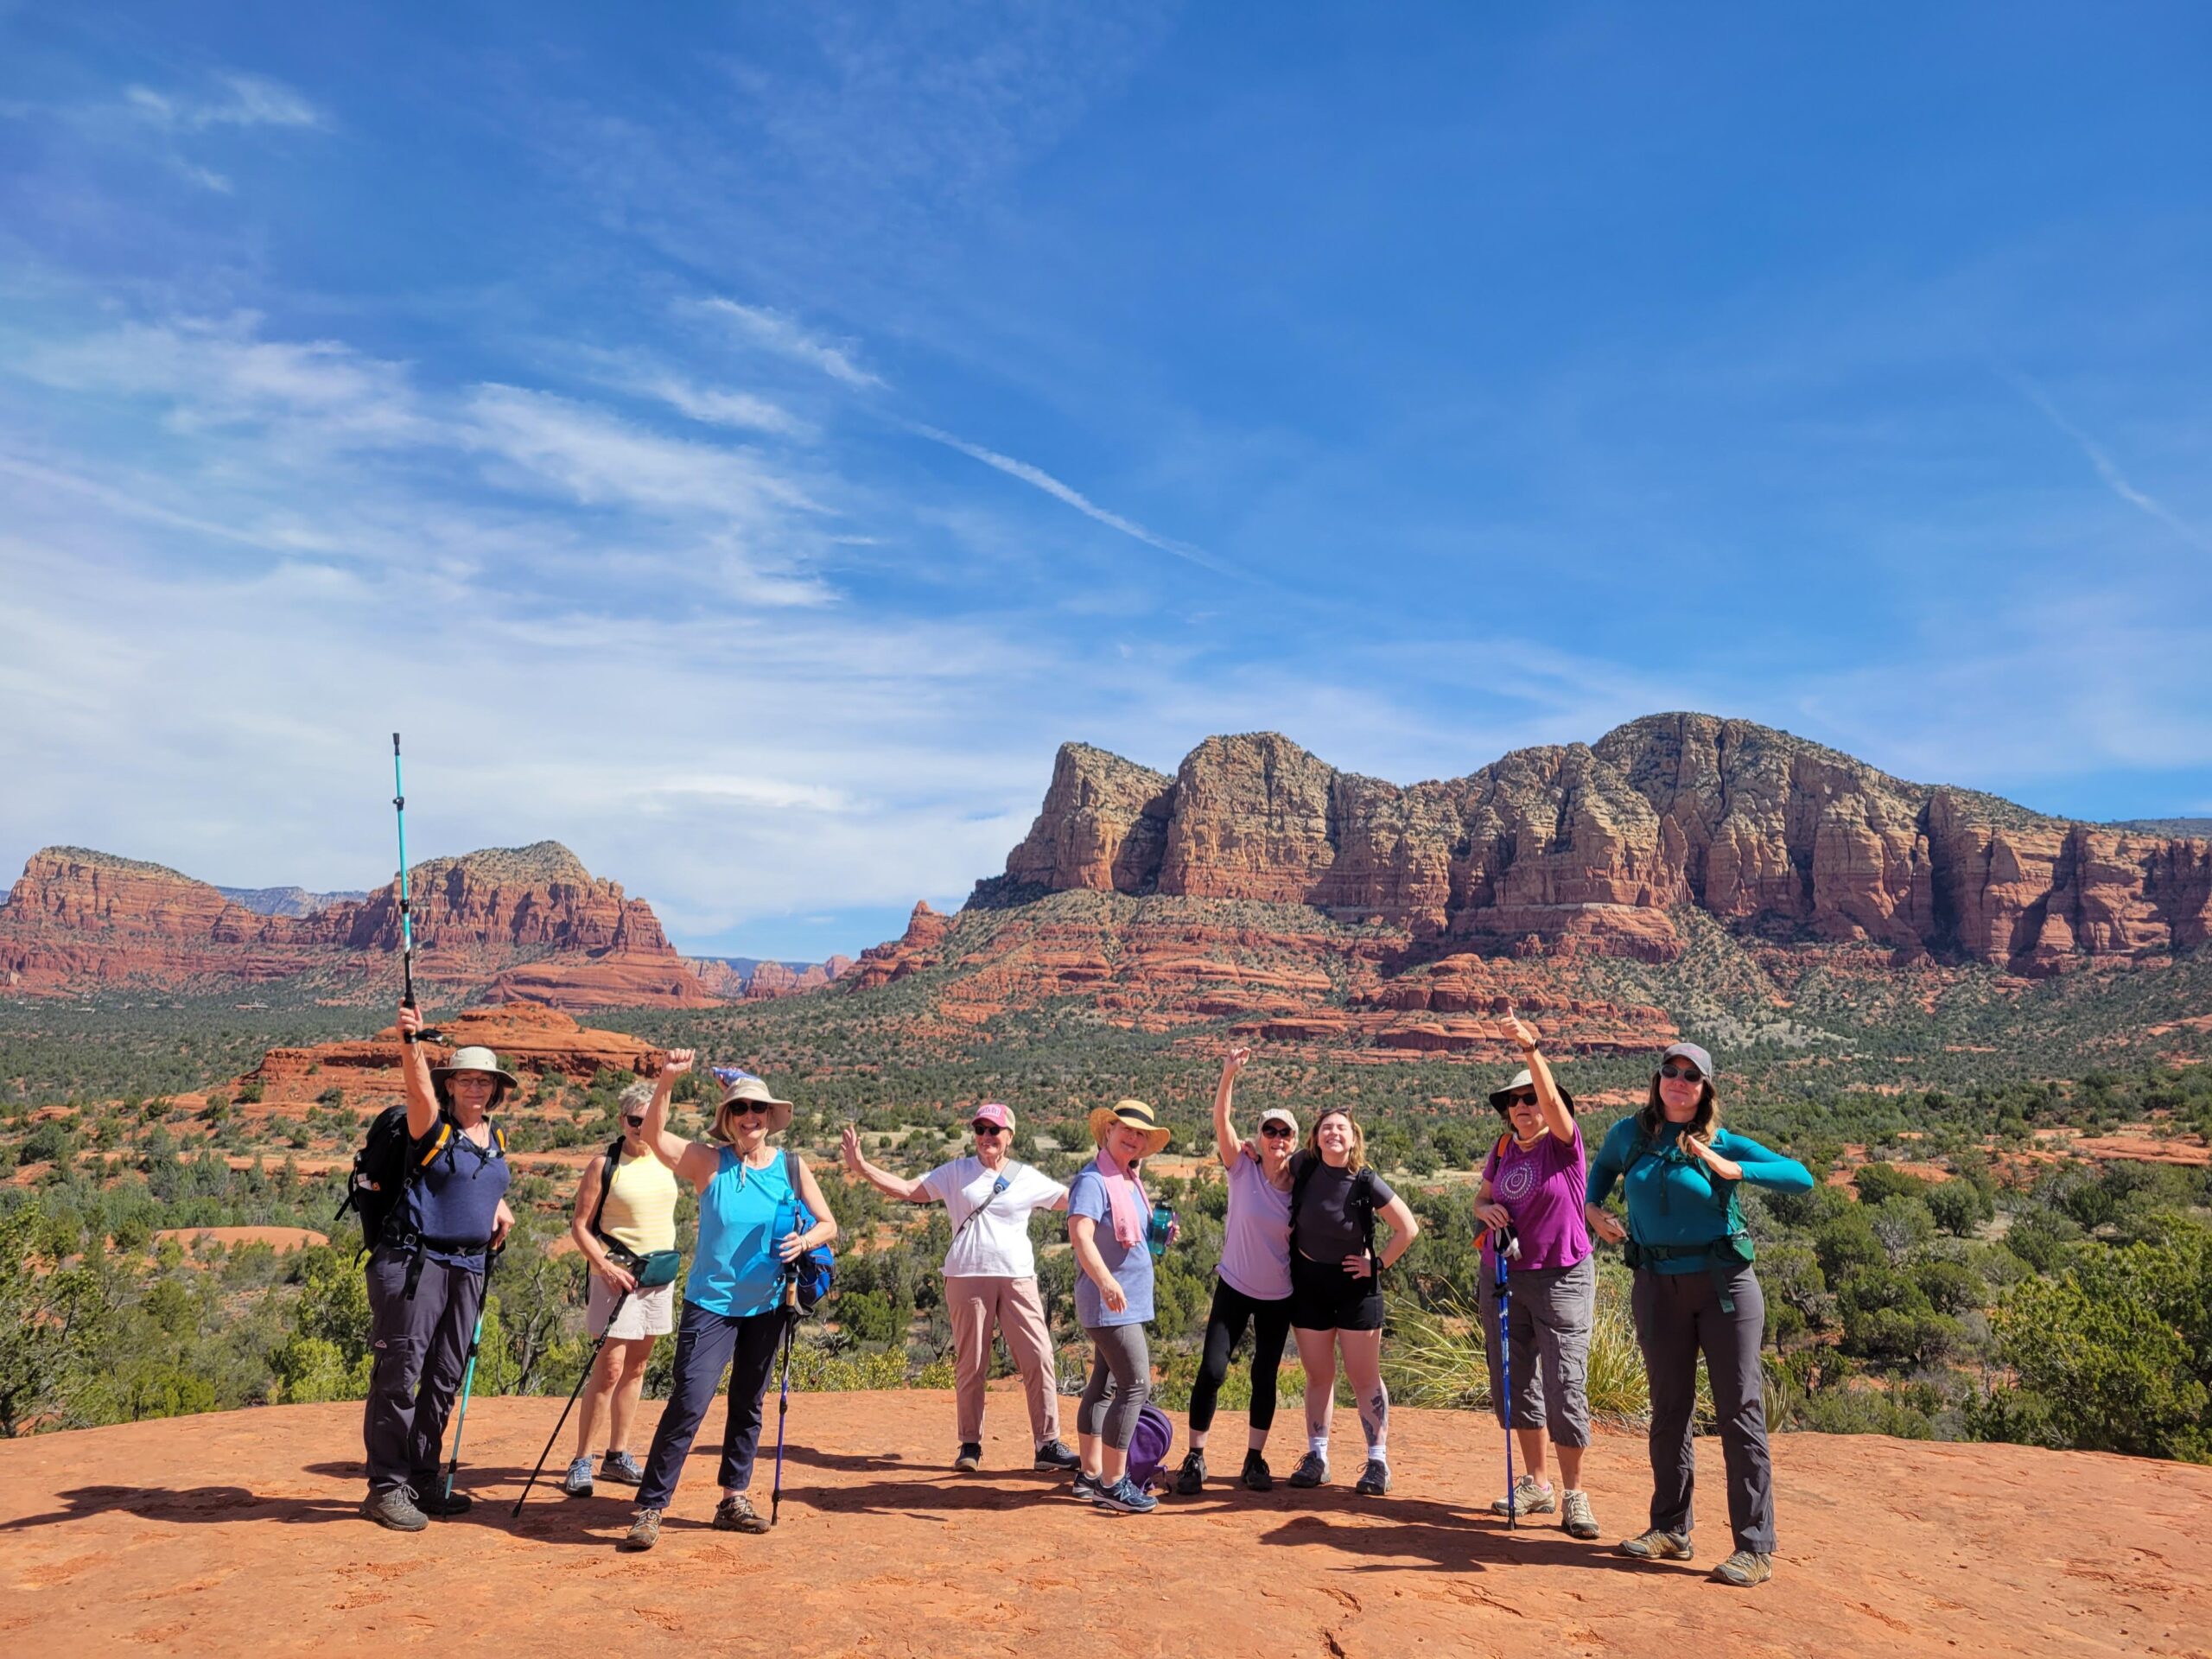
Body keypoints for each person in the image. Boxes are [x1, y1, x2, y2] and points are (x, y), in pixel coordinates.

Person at [1585, 1039, 1812, 1588]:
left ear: (1705, 1087)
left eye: (1692, 1075)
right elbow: (1596, 1182)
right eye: (1671, 1071)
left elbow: (1800, 1176)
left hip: (1723, 1288)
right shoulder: (1628, 1135)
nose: (1679, 1081)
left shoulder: (1719, 1139)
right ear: (1657, 1078)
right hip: (1656, 1286)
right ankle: (1670, 1528)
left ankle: (1754, 1547)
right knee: (1668, 1409)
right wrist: (1595, 1212)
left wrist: (1733, 1168)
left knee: (1739, 1411)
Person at [619, 1059, 838, 1551]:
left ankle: (732, 1500)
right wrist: (669, 1080)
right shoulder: (707, 1161)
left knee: (748, 1405)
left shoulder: (791, 1167)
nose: (749, 1116)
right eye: (740, 1108)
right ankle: (651, 1506)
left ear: (769, 1115)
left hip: (767, 1306)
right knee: (689, 1402)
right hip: (711, 1306)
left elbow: (828, 1224)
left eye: (758, 1108)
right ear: (727, 1116)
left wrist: (805, 1243)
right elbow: (653, 1134)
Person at [840, 1103, 1079, 1473]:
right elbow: (908, 1190)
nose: (986, 1137)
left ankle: (1047, 1444)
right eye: (980, 1130)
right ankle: (970, 1444)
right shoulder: (956, 1173)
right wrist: (861, 1168)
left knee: (1039, 1357)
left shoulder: (1026, 1177)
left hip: (1018, 1277)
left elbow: (1073, 1200)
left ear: (1009, 1137)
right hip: (966, 1277)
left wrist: (1117, 1183)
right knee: (972, 1363)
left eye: (994, 1131)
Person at [360, 1007, 517, 1531]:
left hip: (469, 1267)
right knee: (401, 1375)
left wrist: (498, 1207)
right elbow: (417, 1091)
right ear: (450, 1085)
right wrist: (412, 1045)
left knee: (445, 1375)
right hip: (414, 1264)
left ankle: (423, 1477)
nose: (476, 1087)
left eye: (485, 1081)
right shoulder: (430, 1123)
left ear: (496, 1089)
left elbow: (481, 1185)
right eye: (466, 1079)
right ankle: (385, 1487)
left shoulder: (493, 1138)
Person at [1475, 1013, 1600, 1540]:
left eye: (1531, 1099)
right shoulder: (1503, 1150)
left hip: (1562, 1277)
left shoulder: (1563, 1146)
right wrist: (1485, 1212)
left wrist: (1531, 1050)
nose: (1523, 1108)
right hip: (1504, 1276)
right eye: (1514, 1102)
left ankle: (1575, 1494)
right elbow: (1482, 1197)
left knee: (1564, 1382)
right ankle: (1537, 1484)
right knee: (1515, 1378)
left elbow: (1551, 1103)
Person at [1174, 1046, 1296, 1495]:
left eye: (1285, 1132)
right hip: (1234, 1285)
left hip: (1279, 1296)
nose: (1277, 1137)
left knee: (1264, 1376)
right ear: (1259, 1137)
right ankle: (1195, 1456)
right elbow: (1220, 1123)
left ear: (1294, 1141)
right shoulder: (1241, 1168)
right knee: (1212, 1371)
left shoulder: (1301, 1185)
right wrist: (1229, 1075)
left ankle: (1254, 1460)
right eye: (1270, 1130)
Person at [1287, 1106, 1420, 1496]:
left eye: (1341, 1128)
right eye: (1326, 1127)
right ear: (1316, 1137)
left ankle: (1378, 1462)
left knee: (1363, 1377)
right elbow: (1269, 1162)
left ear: (1353, 1137)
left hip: (1356, 1286)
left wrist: (1375, 1264)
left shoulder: (1365, 1180)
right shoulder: (1303, 1168)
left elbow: (1407, 1228)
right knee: (1318, 1375)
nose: (1334, 1133)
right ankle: (1317, 1457)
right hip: (1309, 1282)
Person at [561, 1075, 683, 1498]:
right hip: (615, 1278)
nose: (640, 1126)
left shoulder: (669, 1159)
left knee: (637, 1368)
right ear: (621, 1119)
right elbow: (579, 1225)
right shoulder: (604, 1164)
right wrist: (604, 1267)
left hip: (657, 1278)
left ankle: (617, 1455)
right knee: (609, 1370)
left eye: (648, 1120)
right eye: (634, 1119)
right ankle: (581, 1460)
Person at [1066, 1098, 1176, 1514]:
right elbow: (1081, 1236)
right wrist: (1107, 1280)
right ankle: (1113, 1484)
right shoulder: (1094, 1181)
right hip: (1109, 1302)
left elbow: (1130, 1236)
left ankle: (1090, 1474)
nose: (1133, 1137)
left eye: (1140, 1134)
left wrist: (1160, 1235)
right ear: (1108, 1130)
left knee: (1105, 1384)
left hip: (1122, 1300)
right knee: (1136, 1385)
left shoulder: (1128, 1180)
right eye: (1125, 1129)